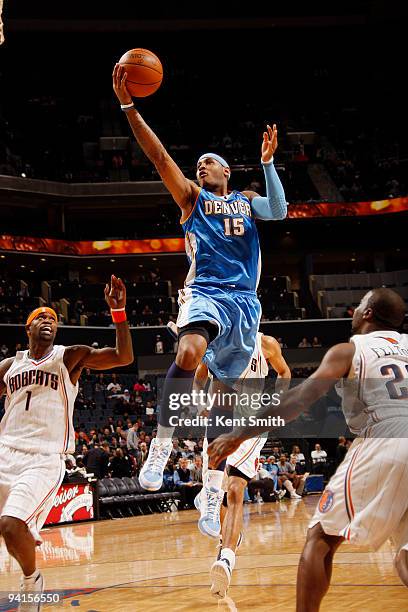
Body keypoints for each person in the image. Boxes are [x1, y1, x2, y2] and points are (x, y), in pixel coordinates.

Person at [112, 64, 287, 504]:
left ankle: (210, 491)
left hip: (245, 304)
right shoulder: (193, 197)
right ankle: (162, 442)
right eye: (198, 164)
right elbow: (159, 158)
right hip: (206, 291)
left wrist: (267, 164)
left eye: (207, 162)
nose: (200, 166)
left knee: (225, 395)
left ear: (226, 171)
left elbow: (280, 210)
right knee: (189, 352)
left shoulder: (247, 201)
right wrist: (129, 107)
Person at [207, 288, 408, 611]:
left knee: (319, 540)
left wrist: (238, 435)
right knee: (405, 554)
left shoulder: (350, 349)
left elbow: (300, 399)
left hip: (384, 434)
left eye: (359, 305)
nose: (354, 310)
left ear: (369, 313)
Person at [0, 275, 133, 610]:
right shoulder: (9, 365)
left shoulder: (69, 356)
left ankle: (32, 580)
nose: (49, 321)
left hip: (43, 457)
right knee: (10, 531)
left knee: (10, 525)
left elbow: (122, 356)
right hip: (5, 452)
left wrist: (118, 312)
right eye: (41, 318)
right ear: (27, 329)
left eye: (53, 319)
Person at [194, 332, 291, 598]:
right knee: (222, 494)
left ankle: (226, 557)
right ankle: (227, 535)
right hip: (220, 423)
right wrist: (200, 402)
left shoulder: (267, 344)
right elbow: (199, 377)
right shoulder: (217, 343)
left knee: (236, 489)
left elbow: (284, 373)